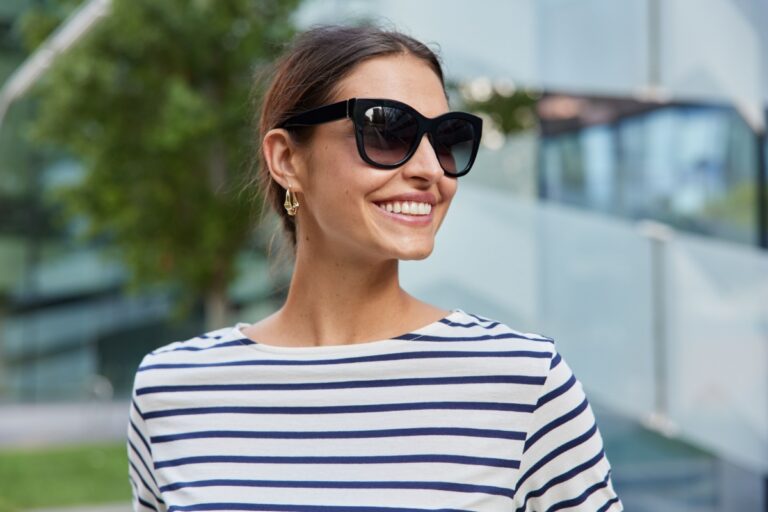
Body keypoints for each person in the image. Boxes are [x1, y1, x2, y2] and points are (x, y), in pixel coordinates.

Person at [127, 24, 623, 512]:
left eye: (446, 138)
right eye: (387, 130)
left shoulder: (523, 383)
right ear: (287, 160)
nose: (431, 170)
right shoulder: (173, 388)